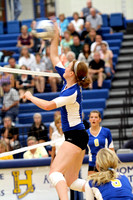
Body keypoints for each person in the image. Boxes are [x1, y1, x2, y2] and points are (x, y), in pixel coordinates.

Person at [23, 23, 91, 200]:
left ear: (72, 74)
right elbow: (53, 56)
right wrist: (56, 36)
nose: (66, 65)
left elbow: (47, 106)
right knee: (72, 181)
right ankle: (102, 189)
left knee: (54, 172)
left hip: (75, 135)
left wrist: (30, 96)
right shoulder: (69, 80)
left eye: (69, 66)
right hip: (79, 134)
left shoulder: (71, 92)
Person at [87, 110, 114, 175]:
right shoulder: (85, 133)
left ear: (100, 120)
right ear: (89, 119)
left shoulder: (106, 131)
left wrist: (112, 164)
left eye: (96, 117)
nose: (93, 119)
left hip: (105, 163)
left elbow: (111, 149)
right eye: (92, 117)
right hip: (92, 163)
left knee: (105, 184)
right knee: (92, 184)